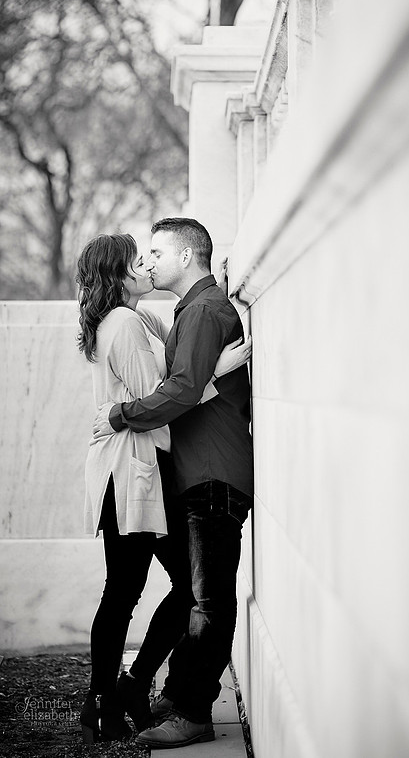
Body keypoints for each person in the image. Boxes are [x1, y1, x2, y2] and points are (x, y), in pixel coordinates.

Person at [76, 232, 250, 743]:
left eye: (152, 255)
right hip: (130, 472)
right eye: (138, 260)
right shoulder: (125, 322)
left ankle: (121, 691)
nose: (146, 267)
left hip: (140, 473)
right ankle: (110, 696)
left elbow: (169, 386)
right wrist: (214, 375)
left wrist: (196, 379)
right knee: (137, 591)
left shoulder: (142, 319)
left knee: (159, 589)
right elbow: (161, 401)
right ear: (119, 274)